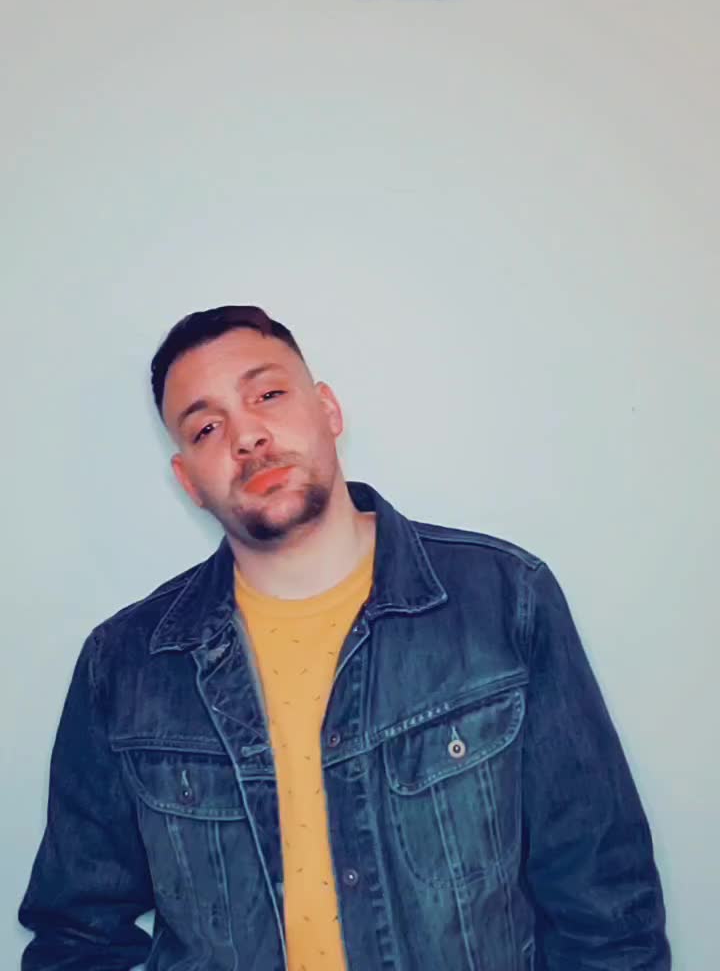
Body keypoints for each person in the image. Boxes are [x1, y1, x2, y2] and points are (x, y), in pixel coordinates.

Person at [19, 305, 671, 970]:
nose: (247, 436)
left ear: (328, 410)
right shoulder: (125, 665)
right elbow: (77, 936)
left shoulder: (504, 601)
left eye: (268, 395)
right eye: (207, 427)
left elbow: (605, 904)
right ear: (188, 480)